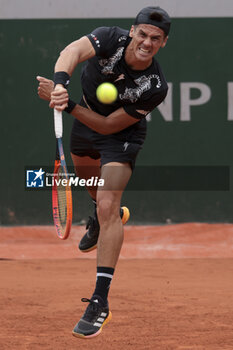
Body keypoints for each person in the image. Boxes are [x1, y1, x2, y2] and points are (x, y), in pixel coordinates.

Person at [37, 6, 171, 339]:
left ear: (163, 43)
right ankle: (99, 216)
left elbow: (110, 125)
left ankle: (100, 302)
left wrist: (68, 106)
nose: (147, 42)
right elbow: (72, 51)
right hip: (84, 125)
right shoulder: (110, 38)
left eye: (155, 38)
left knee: (109, 203)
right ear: (132, 31)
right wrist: (60, 85)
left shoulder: (155, 85)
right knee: (92, 189)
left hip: (119, 137)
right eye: (142, 34)